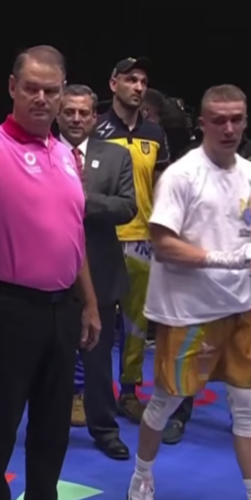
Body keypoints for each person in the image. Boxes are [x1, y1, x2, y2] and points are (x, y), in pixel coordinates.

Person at [127, 85, 251, 500]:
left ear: (246, 121)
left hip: (241, 308)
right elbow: (163, 245)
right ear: (203, 123)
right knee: (166, 402)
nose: (229, 128)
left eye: (236, 119)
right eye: (220, 120)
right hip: (188, 312)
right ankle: (141, 480)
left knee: (247, 408)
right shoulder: (182, 175)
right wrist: (230, 259)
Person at [0, 45, 101, 500]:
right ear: (13, 88)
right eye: (31, 88)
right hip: (7, 308)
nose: (41, 98)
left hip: (63, 308)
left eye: (50, 90)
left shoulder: (66, 154)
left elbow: (73, 236)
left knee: (52, 430)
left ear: (63, 94)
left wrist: (90, 302)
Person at [163, 134, 251, 446]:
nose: (229, 125)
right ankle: (178, 414)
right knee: (191, 344)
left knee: (244, 348)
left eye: (236, 117)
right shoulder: (191, 155)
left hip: (245, 270)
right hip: (200, 268)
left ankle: (246, 419)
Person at [58, 83, 136, 460]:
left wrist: (81, 201)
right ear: (58, 114)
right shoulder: (42, 151)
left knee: (98, 361)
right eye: (69, 112)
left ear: (94, 117)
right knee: (49, 361)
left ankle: (104, 428)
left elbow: (127, 208)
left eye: (83, 113)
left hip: (101, 273)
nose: (76, 119)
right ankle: (49, 426)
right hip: (51, 273)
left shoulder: (116, 155)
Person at [94, 58, 170, 422]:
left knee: (137, 324)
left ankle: (128, 391)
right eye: (130, 79)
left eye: (142, 81)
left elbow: (164, 188)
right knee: (92, 317)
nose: (138, 87)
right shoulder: (94, 129)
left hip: (143, 240)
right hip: (102, 238)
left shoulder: (155, 133)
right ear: (113, 84)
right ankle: (84, 391)